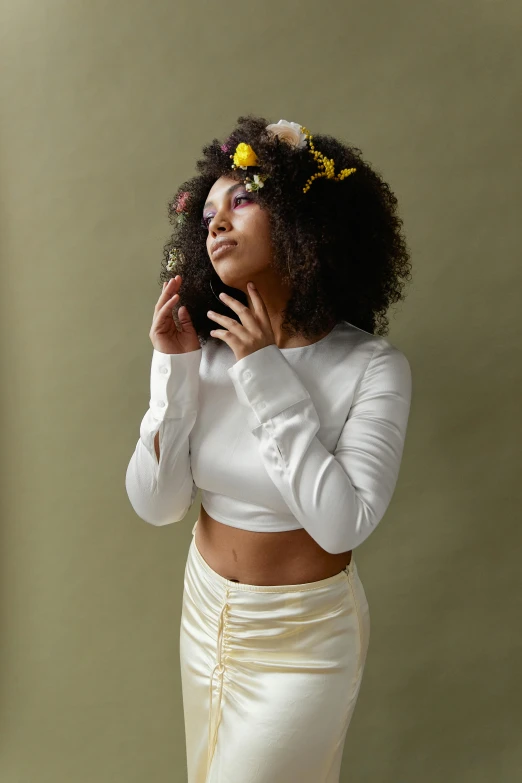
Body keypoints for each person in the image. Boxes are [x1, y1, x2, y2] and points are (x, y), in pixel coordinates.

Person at [125, 115, 413, 783]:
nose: (216, 223)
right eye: (206, 217)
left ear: (301, 219)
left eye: (241, 200)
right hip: (204, 614)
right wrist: (171, 372)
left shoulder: (373, 367)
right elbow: (158, 505)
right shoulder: (202, 348)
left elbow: (343, 522)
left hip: (303, 639)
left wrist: (262, 371)